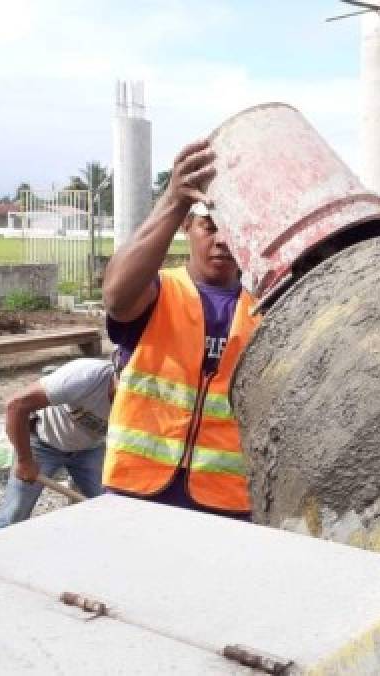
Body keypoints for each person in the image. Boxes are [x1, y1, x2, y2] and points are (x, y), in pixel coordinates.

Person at [101, 138, 260, 520]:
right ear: (188, 227)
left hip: (225, 499)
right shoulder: (159, 291)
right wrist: (173, 201)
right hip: (137, 488)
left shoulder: (263, 315)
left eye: (231, 229)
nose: (222, 240)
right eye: (210, 227)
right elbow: (116, 297)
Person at [0, 356, 117, 529]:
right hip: (43, 444)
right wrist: (24, 461)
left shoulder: (144, 399)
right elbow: (15, 406)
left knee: (111, 508)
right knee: (13, 514)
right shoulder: (85, 376)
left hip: (90, 449)